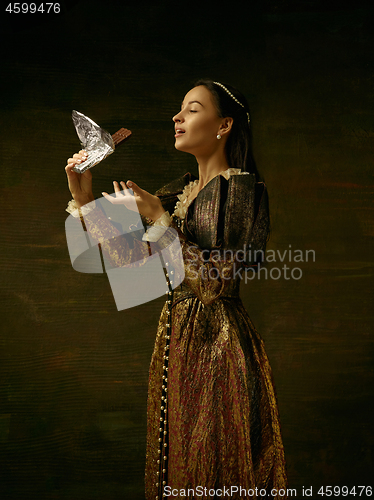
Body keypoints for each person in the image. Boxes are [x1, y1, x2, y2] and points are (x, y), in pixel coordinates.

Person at [65, 79, 287, 500]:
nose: (177, 117)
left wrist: (157, 218)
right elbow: (132, 266)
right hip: (178, 343)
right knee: (181, 463)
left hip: (218, 347)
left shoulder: (239, 189)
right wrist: (86, 197)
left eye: (192, 109)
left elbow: (213, 284)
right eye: (180, 109)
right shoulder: (179, 192)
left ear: (224, 125)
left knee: (213, 461)